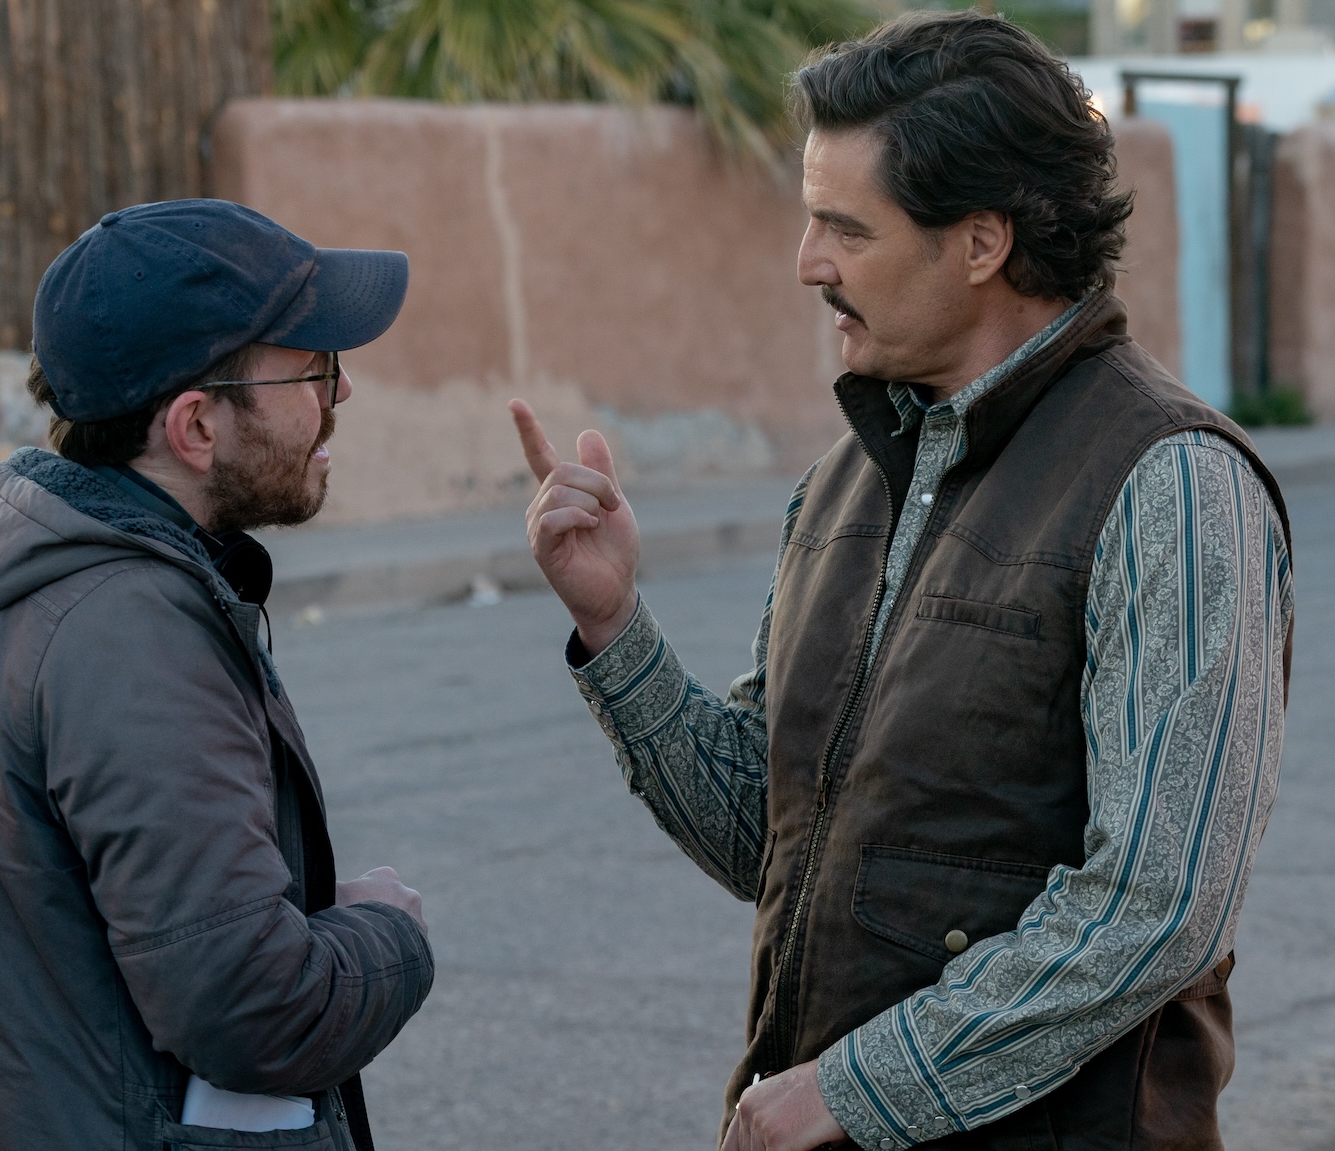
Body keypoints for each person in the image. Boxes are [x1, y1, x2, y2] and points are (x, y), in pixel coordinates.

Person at [511, 13, 1293, 1150]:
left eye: (843, 228)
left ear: (979, 243)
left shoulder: (1170, 483)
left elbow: (1158, 904)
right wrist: (612, 622)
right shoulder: (847, 477)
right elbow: (764, 836)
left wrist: (857, 1085)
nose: (807, 264)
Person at [0, 199, 432, 1151]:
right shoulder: (126, 630)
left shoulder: (41, 575)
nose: (338, 398)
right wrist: (388, 935)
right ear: (196, 426)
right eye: (313, 370)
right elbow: (252, 1007)